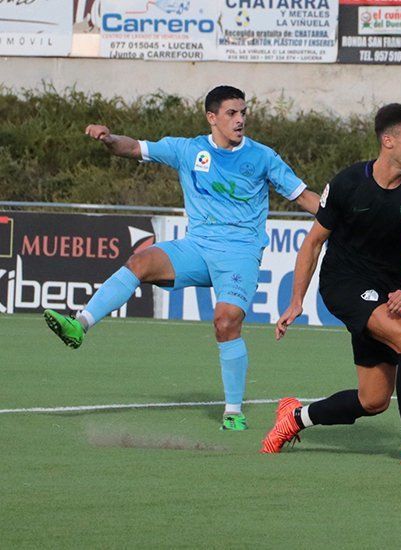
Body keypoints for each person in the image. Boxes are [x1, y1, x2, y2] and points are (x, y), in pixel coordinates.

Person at [43, 85, 319, 431]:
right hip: (196, 247)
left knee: (226, 321)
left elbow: (303, 195)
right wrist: (108, 138)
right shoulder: (188, 150)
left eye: (243, 113)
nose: (240, 120)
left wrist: (340, 217)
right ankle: (80, 324)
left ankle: (233, 410)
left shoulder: (263, 157)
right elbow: (133, 147)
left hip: (240, 253)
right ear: (212, 117)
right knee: (140, 262)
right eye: (232, 114)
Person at [261, 103, 401, 470]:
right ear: (388, 141)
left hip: (385, 293)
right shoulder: (348, 183)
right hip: (344, 285)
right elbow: (312, 243)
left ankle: (294, 418)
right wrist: (296, 300)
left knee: (373, 400)